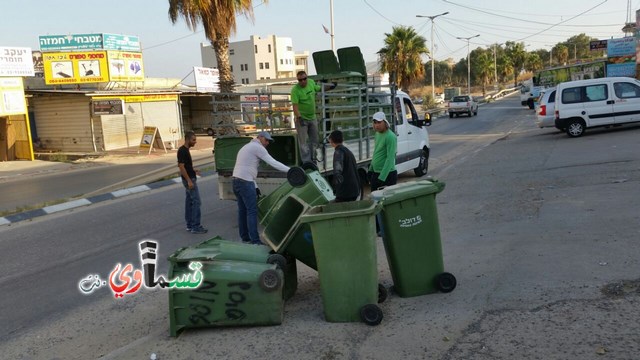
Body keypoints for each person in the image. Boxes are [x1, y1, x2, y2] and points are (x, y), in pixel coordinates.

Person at [232, 131, 290, 244]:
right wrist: (290, 170)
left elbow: (247, 168)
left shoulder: (247, 146)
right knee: (252, 211)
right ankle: (255, 241)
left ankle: (245, 238)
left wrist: (255, 185)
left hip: (236, 180)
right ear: (260, 137)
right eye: (266, 140)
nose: (267, 143)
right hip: (245, 182)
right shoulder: (257, 147)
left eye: (269, 141)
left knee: (242, 211)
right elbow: (273, 162)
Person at [290, 70, 336, 164]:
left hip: (312, 117)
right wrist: (299, 117)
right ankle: (306, 162)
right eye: (300, 80)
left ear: (307, 78)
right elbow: (295, 107)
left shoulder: (311, 82)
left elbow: (319, 88)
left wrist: (331, 87)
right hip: (301, 118)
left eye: (304, 79)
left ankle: (313, 158)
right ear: (298, 80)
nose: (303, 81)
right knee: (303, 142)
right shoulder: (295, 90)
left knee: (314, 139)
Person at [177, 131, 207, 234]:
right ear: (187, 139)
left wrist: (194, 170)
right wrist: (189, 180)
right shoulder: (182, 151)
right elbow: (181, 166)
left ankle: (190, 225)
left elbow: (186, 166)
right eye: (193, 140)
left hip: (190, 178)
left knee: (189, 202)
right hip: (189, 180)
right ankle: (196, 226)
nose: (195, 142)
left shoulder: (186, 150)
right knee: (196, 202)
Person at [328, 130, 360, 202]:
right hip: (354, 190)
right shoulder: (348, 151)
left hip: (346, 193)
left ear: (331, 140)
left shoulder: (338, 152)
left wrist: (337, 190)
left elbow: (337, 172)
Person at [369, 111, 398, 191]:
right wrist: (370, 170)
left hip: (387, 175)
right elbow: (376, 152)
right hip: (376, 173)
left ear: (385, 122)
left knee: (385, 202)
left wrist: (382, 178)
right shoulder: (377, 134)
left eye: (379, 122)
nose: (376, 125)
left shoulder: (390, 136)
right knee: (374, 200)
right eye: (375, 122)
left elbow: (390, 158)